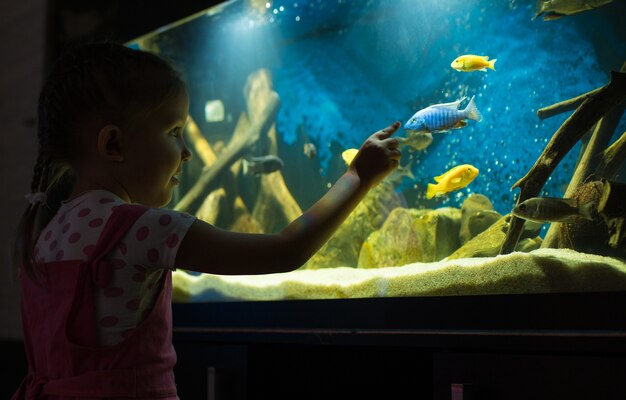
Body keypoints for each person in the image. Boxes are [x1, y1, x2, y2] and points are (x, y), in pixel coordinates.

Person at [11, 41, 401, 399]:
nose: (186, 152)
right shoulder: (140, 228)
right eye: (173, 131)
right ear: (114, 145)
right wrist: (358, 176)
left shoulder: (44, 233)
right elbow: (286, 250)